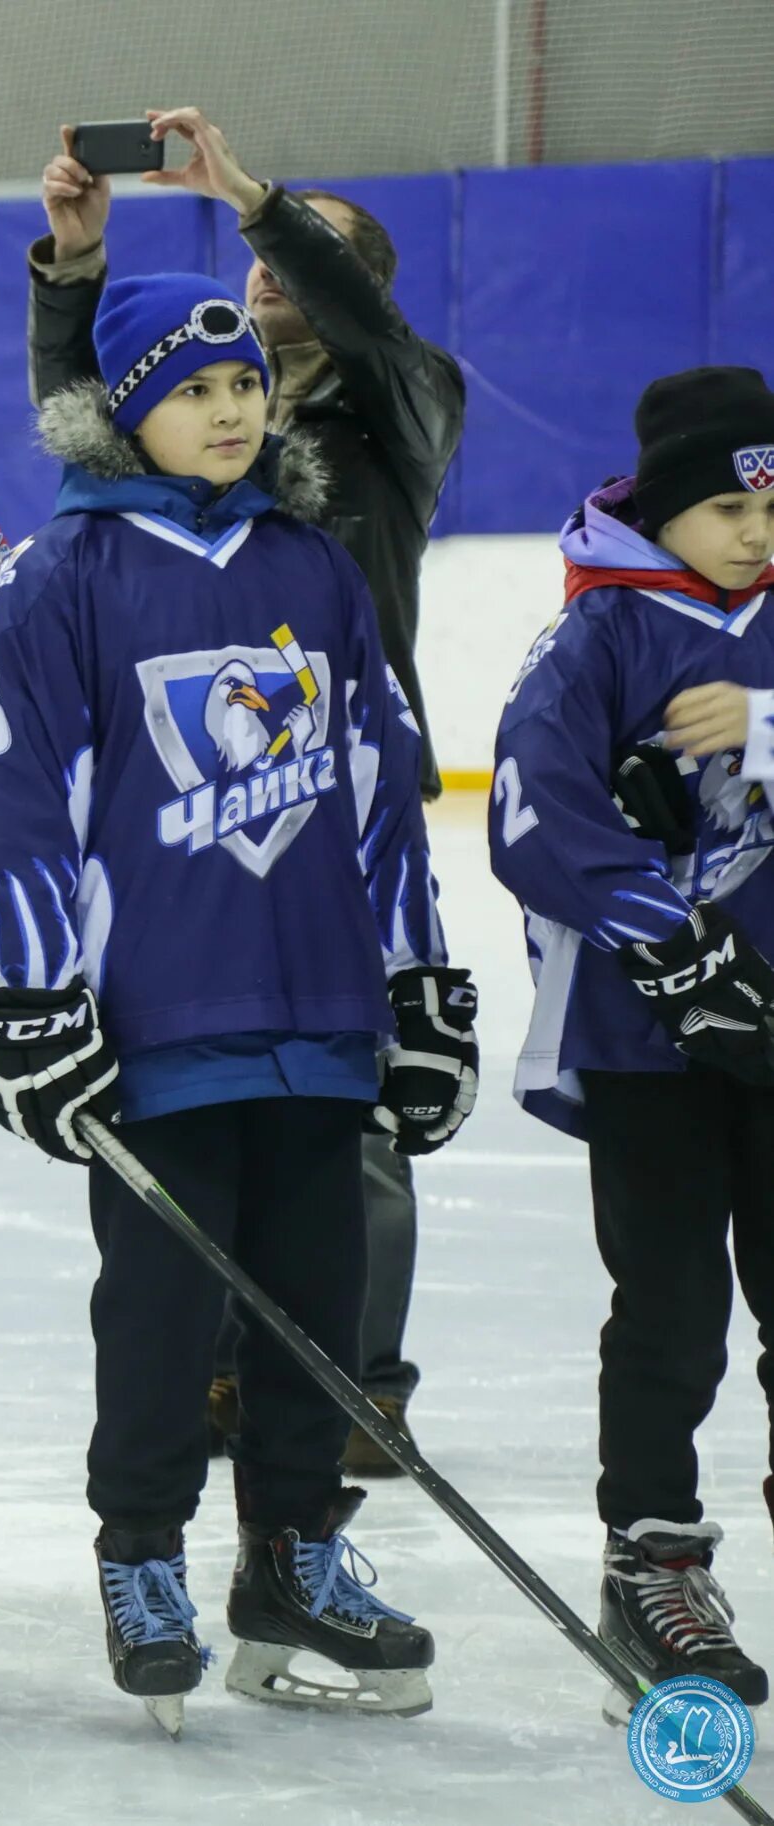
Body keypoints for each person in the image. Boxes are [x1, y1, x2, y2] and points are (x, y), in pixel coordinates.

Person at [0, 272, 475, 1734]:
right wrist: (37, 998)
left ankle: (291, 1564)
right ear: (125, 407)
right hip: (156, 1035)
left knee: (317, 1315)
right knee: (163, 1323)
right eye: (193, 390)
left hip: (316, 1018)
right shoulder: (59, 575)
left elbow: (379, 791)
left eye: (243, 384)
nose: (230, 409)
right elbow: (11, 809)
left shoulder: (310, 565)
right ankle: (139, 1556)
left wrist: (417, 983)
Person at [31, 106, 467, 1475]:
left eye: (300, 260)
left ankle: (355, 1379)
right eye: (255, 261)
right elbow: (80, 429)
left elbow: (362, 324)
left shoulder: (395, 406)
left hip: (332, 784)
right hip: (185, 801)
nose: (263, 272)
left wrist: (255, 196)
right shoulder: (186, 434)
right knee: (207, 1102)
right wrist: (73, 278)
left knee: (343, 1123)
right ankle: (224, 1369)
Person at [487, 365, 774, 1711]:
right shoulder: (594, 637)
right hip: (646, 1041)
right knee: (667, 1308)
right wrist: (672, 942)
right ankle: (649, 1556)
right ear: (659, 511)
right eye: (725, 504)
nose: (754, 532)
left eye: (770, 503)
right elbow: (528, 818)